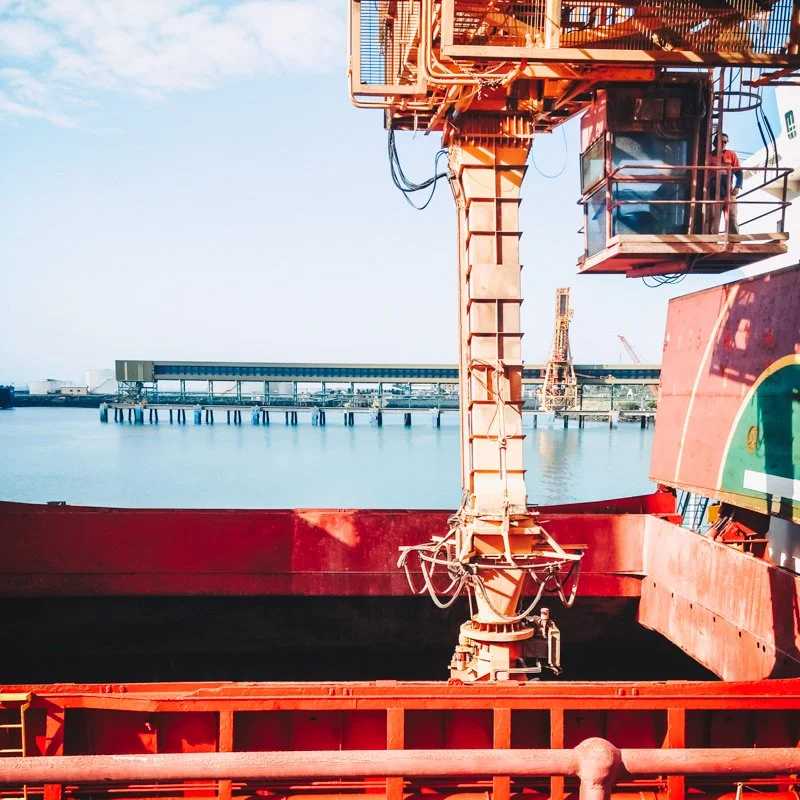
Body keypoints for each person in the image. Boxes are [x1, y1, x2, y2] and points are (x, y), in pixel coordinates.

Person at [710, 132, 743, 235]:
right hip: (714, 190)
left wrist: (737, 187)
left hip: (728, 190)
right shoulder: (709, 156)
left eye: (725, 142)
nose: (724, 144)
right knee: (713, 216)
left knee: (732, 215)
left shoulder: (731, 154)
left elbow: (739, 172)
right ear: (715, 143)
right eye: (722, 142)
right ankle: (712, 241)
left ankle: (734, 240)